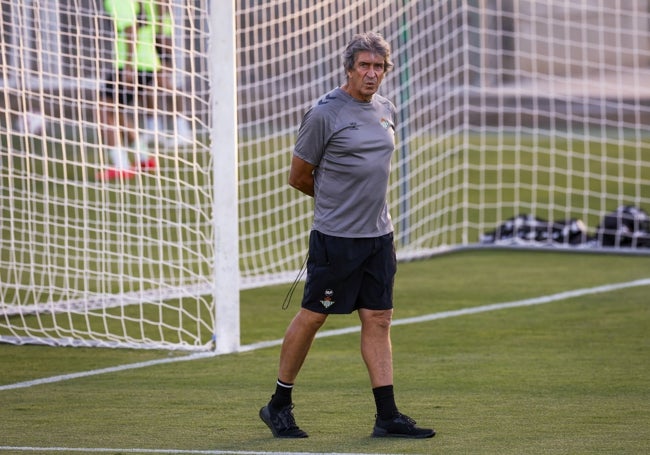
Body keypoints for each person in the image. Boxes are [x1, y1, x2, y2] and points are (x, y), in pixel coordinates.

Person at [259, 32, 436, 439]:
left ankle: (387, 416)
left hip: (379, 236)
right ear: (349, 68)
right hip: (336, 237)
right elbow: (299, 176)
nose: (371, 74)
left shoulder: (386, 108)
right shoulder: (325, 113)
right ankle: (278, 405)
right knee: (314, 316)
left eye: (379, 67)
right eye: (364, 66)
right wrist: (336, 204)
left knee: (378, 318)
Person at [97, 0, 159, 180]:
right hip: (147, 62)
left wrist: (129, 67)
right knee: (114, 110)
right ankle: (144, 158)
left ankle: (121, 165)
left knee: (103, 109)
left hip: (134, 64)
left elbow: (131, 29)